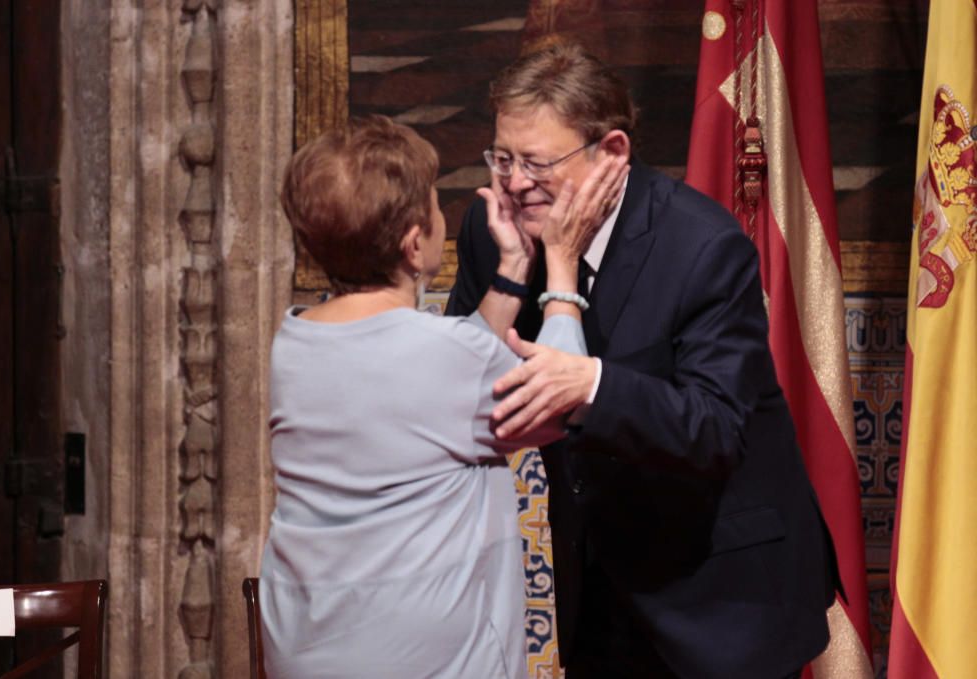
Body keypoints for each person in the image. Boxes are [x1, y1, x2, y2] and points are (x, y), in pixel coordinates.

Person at [447, 42, 840, 679]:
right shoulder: (489, 230)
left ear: (613, 153)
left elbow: (716, 428)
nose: (515, 184)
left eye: (538, 163)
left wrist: (593, 383)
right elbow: (459, 391)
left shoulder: (703, 246)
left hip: (724, 589)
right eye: (503, 159)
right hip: (602, 583)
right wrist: (514, 274)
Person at [257, 115, 625, 679]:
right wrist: (562, 269)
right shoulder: (445, 357)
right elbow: (559, 400)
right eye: (434, 207)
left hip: (310, 646)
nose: (441, 219)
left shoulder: (297, 339)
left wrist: (508, 275)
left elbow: (434, 385)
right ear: (413, 243)